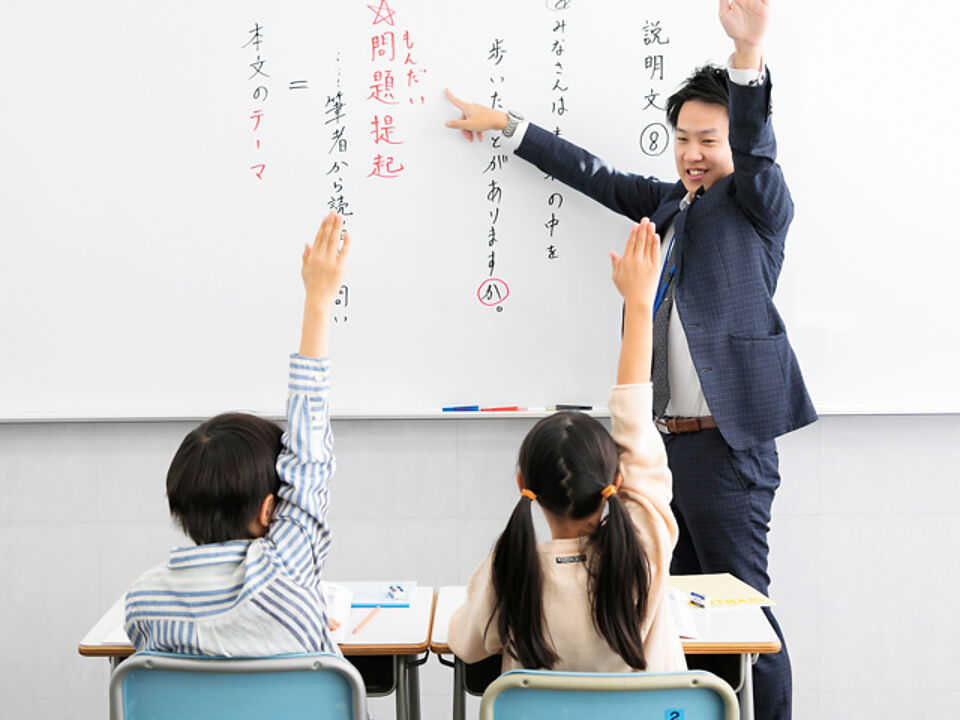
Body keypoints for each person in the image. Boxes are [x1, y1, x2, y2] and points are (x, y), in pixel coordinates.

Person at [443, 2, 813, 716]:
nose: (693, 154)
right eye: (682, 140)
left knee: (745, 621)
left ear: (734, 139)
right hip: (666, 451)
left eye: (709, 139)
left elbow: (759, 148)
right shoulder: (673, 205)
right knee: (678, 618)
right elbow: (597, 177)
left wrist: (749, 55)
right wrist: (510, 128)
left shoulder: (760, 204)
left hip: (729, 450)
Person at [449, 219, 686, 674]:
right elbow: (636, 419)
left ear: (524, 484)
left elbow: (465, 644)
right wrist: (639, 305)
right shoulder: (646, 554)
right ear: (616, 482)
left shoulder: (512, 572)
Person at [124, 212, 351, 656]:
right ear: (270, 509)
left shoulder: (142, 603)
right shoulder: (286, 571)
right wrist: (318, 302)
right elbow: (310, 461)